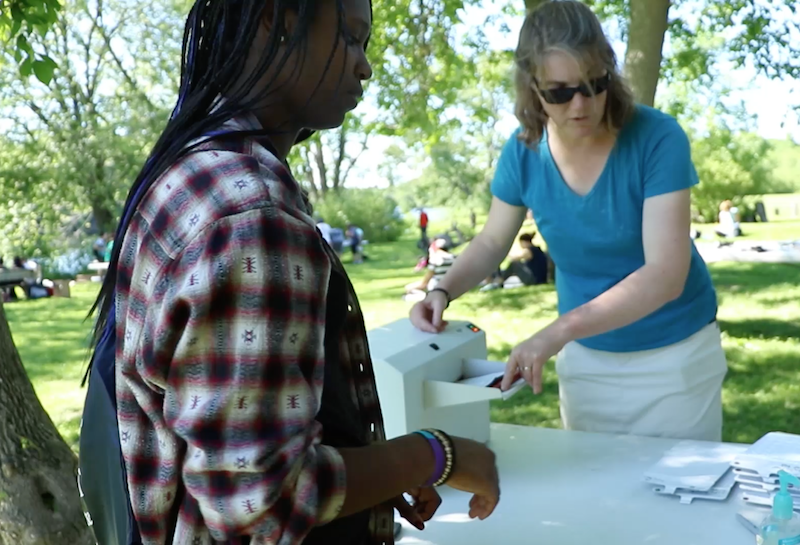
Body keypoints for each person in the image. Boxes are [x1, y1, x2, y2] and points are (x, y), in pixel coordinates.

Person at [82, 2, 499, 544]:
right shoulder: (253, 217)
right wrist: (437, 454)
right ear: (274, 20)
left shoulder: (191, 171)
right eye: (351, 37)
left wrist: (369, 472)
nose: (365, 66)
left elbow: (230, 428)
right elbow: (259, 503)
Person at [410, 1, 726, 442]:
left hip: (676, 358)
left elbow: (666, 274)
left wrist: (558, 331)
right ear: (531, 87)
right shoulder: (522, 151)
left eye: (593, 85)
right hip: (586, 361)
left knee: (678, 501)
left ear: (608, 73)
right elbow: (492, 241)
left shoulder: (657, 137)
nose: (580, 105)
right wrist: (442, 288)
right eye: (558, 92)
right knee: (596, 499)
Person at [480, 233, 548, 291]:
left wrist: (504, 253)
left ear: (524, 242)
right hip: (538, 278)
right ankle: (491, 279)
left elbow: (515, 258)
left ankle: (498, 282)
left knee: (514, 264)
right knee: (504, 271)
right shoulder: (537, 250)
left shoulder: (529, 251)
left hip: (534, 280)